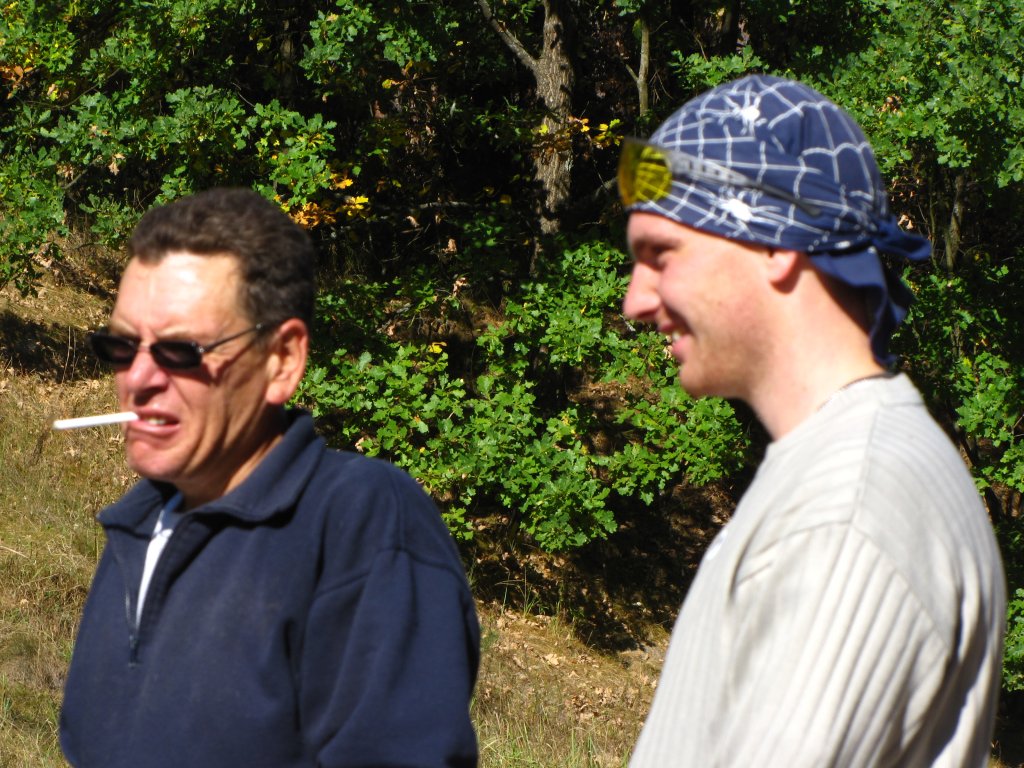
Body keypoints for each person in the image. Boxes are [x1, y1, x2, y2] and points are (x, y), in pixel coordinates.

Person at [618, 75, 1005, 766]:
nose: (635, 301)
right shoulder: (834, 474)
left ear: (777, 244)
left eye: (660, 255)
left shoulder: (848, 509)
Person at [59, 188, 480, 767]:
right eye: (122, 346)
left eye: (181, 350)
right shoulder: (138, 527)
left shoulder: (357, 524)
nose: (139, 378)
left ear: (281, 362)